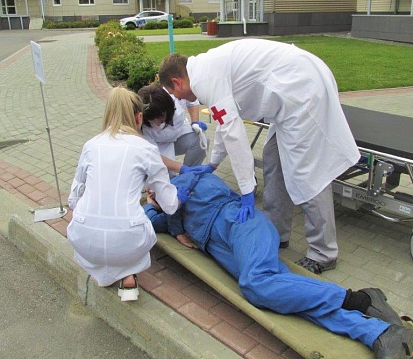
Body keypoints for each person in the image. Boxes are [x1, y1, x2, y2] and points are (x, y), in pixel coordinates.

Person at [144, 172, 413, 359]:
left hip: (242, 225)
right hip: (227, 250)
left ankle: (360, 300)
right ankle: (379, 333)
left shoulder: (190, 180)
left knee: (256, 284)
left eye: (154, 185)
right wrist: (152, 205)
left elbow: (183, 188)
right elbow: (147, 224)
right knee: (291, 298)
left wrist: (168, 204)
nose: (152, 191)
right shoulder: (167, 211)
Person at [158, 39, 360, 274]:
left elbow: (234, 134)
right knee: (273, 159)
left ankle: (323, 253)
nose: (180, 99)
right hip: (289, 94)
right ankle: (275, 233)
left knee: (307, 175)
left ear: (177, 81)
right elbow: (225, 122)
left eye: (175, 93)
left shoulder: (204, 78)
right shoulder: (204, 71)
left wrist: (247, 189)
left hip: (302, 89)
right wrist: (213, 163)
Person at [67, 87, 190, 302]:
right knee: (137, 231)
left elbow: (73, 199)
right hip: (127, 243)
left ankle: (106, 272)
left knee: (103, 237)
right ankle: (128, 274)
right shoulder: (146, 149)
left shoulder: (90, 146)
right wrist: (180, 194)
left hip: (84, 241)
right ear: (139, 117)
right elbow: (170, 205)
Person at [137, 85, 209, 175]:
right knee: (165, 174)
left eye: (160, 118)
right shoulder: (139, 125)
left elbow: (192, 102)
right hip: (158, 145)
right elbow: (151, 154)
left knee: (201, 139)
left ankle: (190, 175)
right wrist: (180, 168)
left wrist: (195, 122)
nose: (157, 123)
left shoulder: (175, 95)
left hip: (179, 133)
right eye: (152, 120)